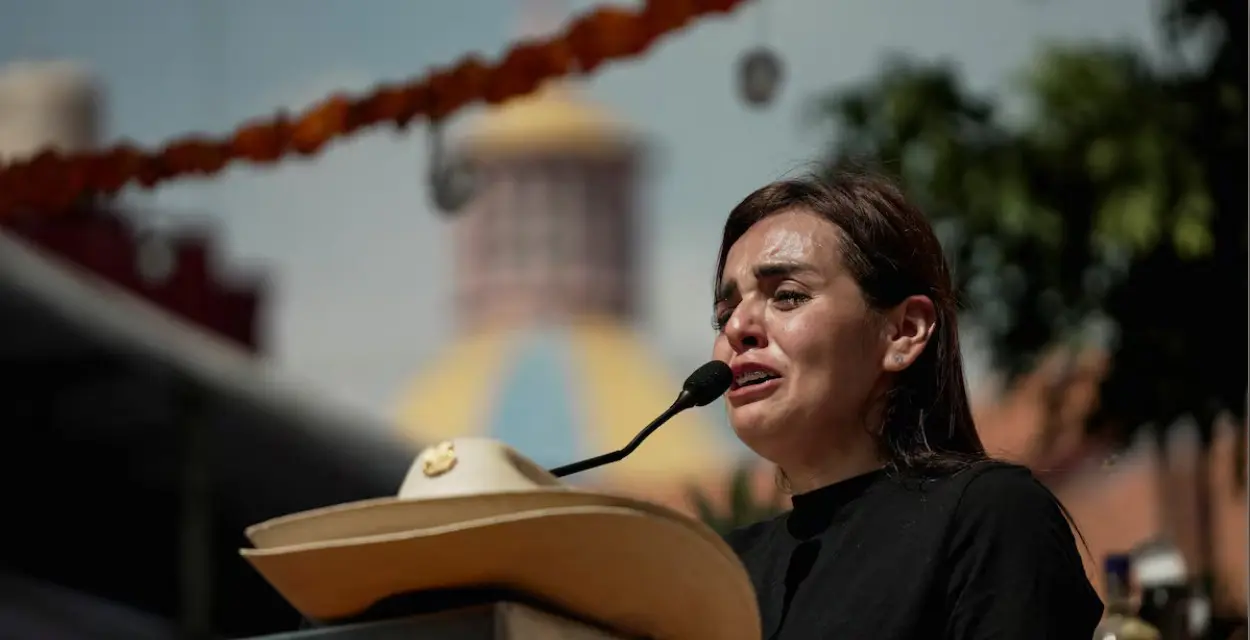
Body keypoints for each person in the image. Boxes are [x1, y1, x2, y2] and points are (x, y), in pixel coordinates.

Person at [713, 172, 1104, 639]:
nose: (738, 327)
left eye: (788, 296)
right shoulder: (723, 575)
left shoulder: (988, 517)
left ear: (904, 332)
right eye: (724, 313)